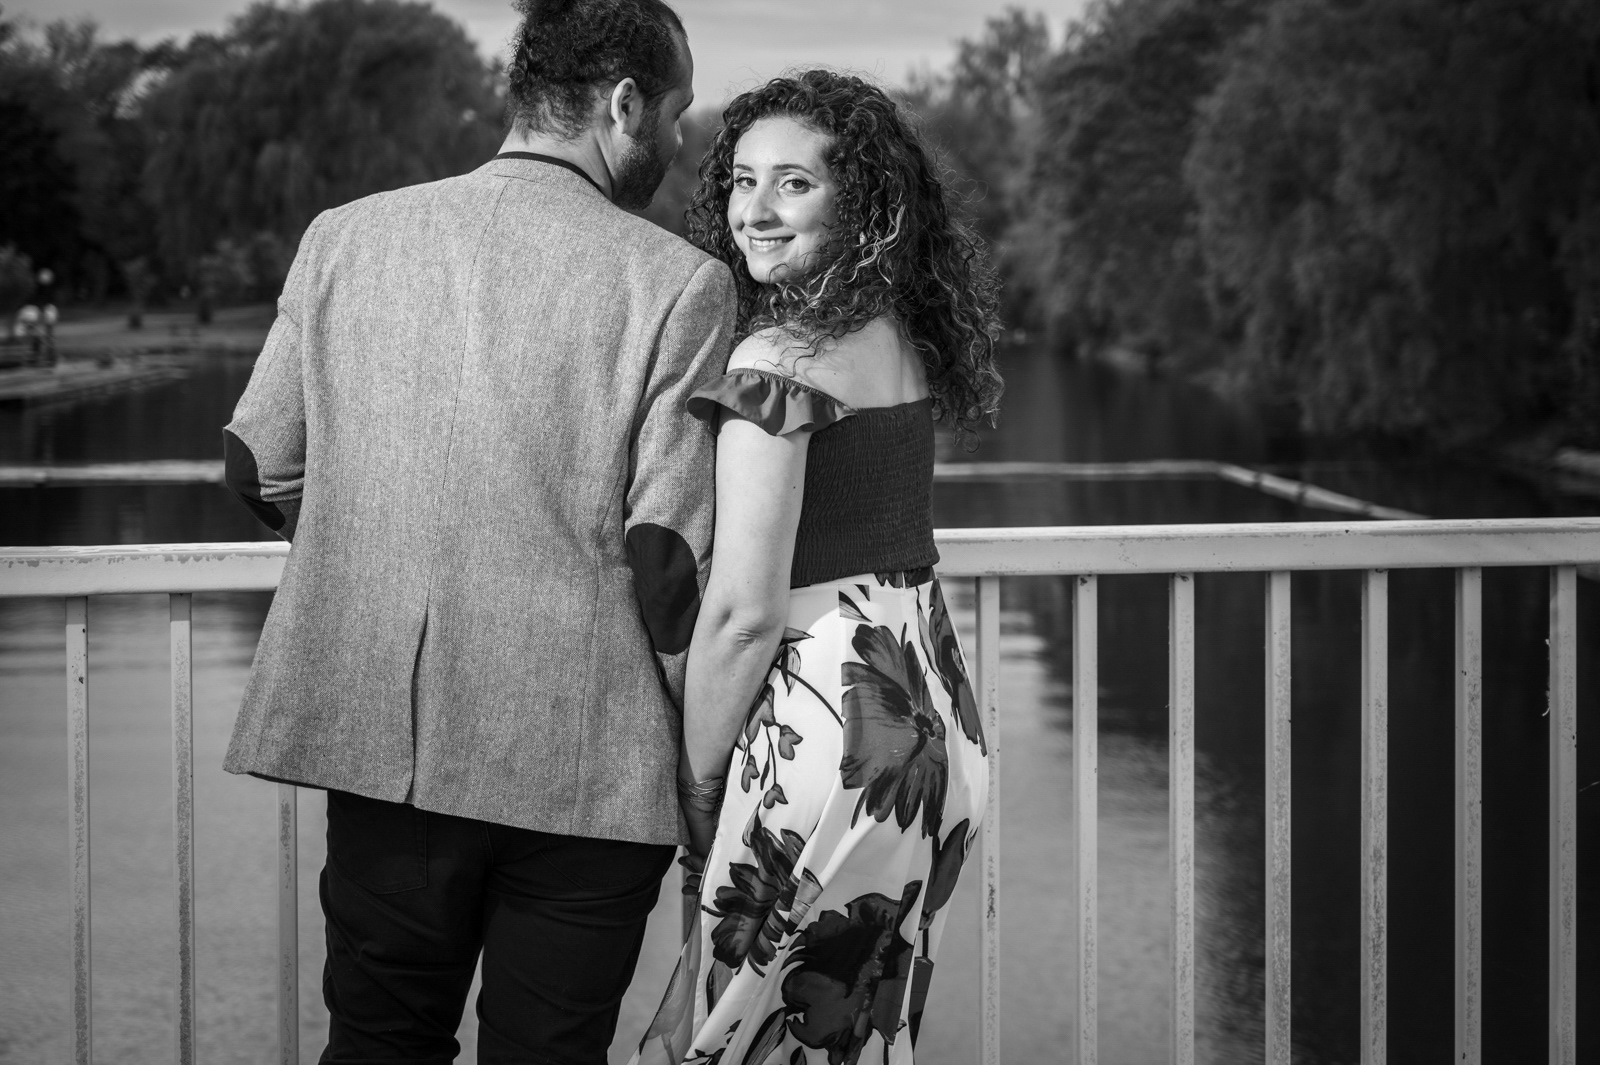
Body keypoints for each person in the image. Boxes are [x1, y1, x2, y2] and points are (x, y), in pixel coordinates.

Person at [219, 0, 735, 1060]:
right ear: (623, 102)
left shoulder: (346, 237)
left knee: (378, 1041)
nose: (680, 142)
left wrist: (382, 552)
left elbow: (255, 464)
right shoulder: (678, 282)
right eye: (675, 115)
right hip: (589, 770)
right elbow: (668, 559)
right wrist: (706, 778)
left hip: (389, 746)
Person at [634, 71, 1004, 1065]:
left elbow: (744, 616)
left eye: (793, 183)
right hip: (932, 740)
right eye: (742, 181)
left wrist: (696, 782)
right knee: (849, 1042)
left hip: (822, 750)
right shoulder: (899, 341)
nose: (754, 210)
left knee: (732, 1042)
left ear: (864, 203)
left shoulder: (777, 363)